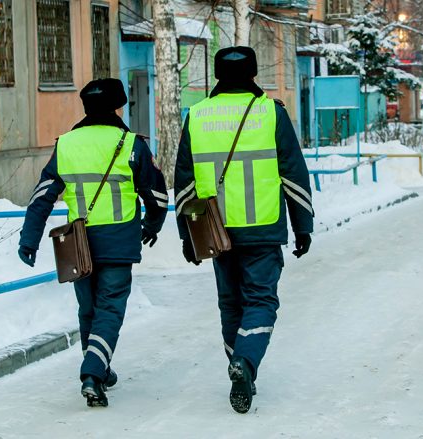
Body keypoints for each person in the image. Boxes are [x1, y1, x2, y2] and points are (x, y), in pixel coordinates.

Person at [173, 46, 314, 414]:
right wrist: (303, 225)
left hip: (215, 230)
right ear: (253, 73)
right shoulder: (270, 113)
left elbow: (184, 184)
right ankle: (246, 363)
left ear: (218, 74)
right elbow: (293, 173)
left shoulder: (198, 115)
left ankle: (239, 365)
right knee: (261, 301)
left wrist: (186, 235)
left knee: (231, 303)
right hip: (262, 228)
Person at [18, 78, 168, 408]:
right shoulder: (131, 144)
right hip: (117, 243)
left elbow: (43, 195)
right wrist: (153, 224)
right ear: (119, 106)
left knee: (89, 310)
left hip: (79, 244)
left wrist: (29, 238)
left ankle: (99, 367)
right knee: (110, 309)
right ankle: (93, 371)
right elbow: (156, 194)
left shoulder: (67, 145)